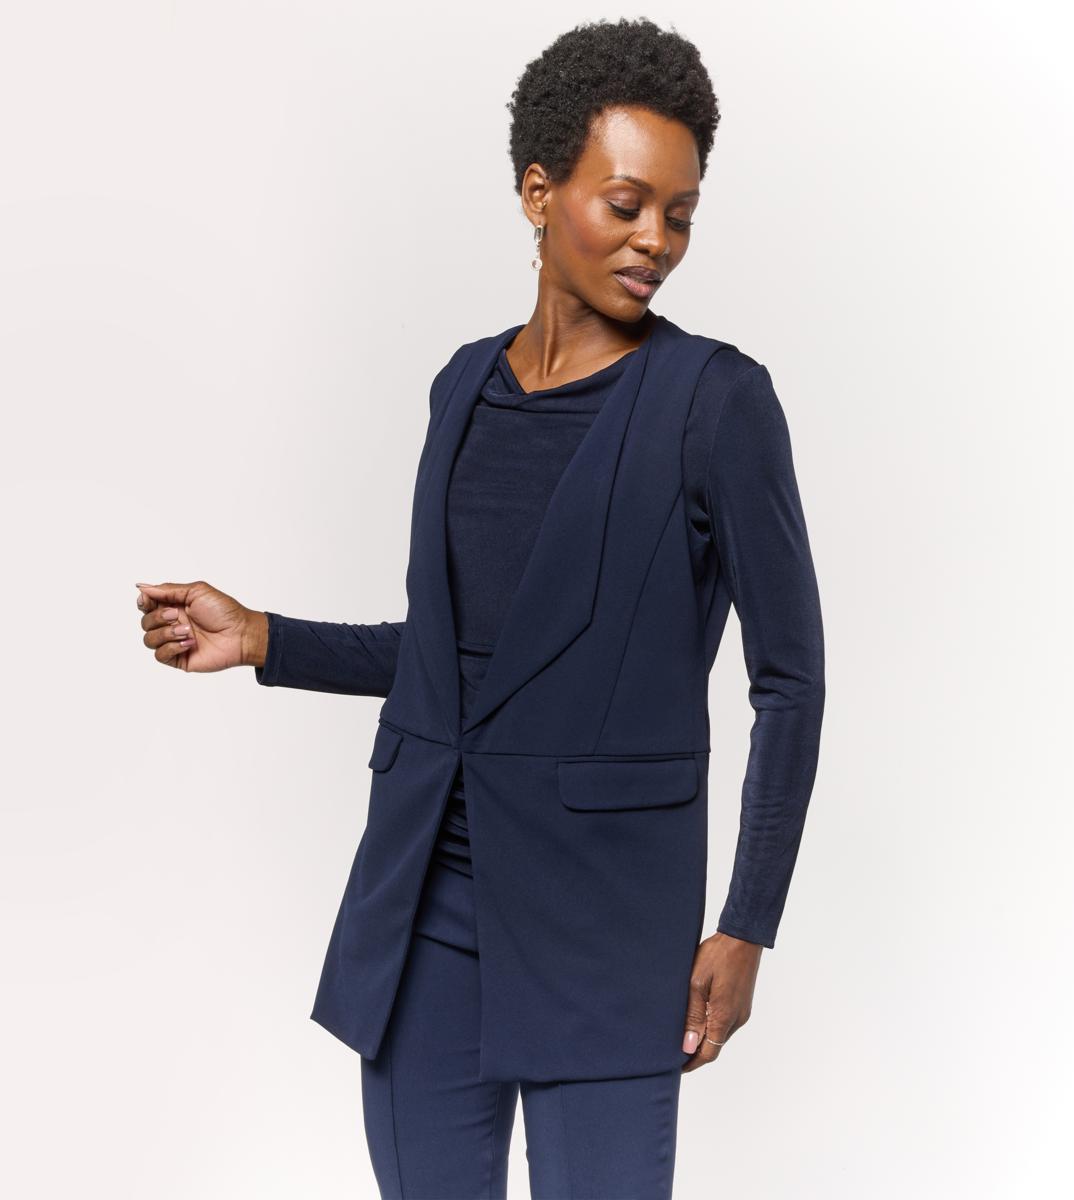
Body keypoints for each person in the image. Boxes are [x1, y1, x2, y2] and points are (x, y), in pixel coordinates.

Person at [135, 17, 825, 1199]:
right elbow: (465, 664)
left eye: (680, 214)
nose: (657, 241)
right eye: (627, 205)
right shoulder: (462, 386)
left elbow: (790, 684)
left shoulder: (717, 404)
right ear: (538, 191)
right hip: (424, 912)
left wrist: (747, 922)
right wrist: (262, 640)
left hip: (606, 925)